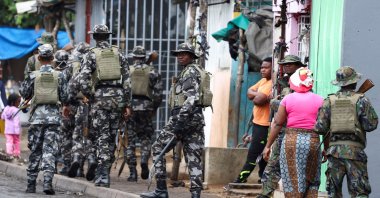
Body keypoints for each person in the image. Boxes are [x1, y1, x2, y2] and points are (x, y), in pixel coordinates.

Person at [66, 24, 131, 188]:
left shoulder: (91, 55)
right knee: (111, 136)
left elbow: (82, 79)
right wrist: (126, 103)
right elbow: (128, 81)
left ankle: (103, 176)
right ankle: (105, 172)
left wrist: (90, 95)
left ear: (94, 37)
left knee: (101, 136)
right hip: (118, 100)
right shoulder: (118, 54)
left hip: (100, 99)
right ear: (107, 36)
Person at [141, 43, 209, 198]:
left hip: (184, 117)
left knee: (158, 147)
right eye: (178, 54)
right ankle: (195, 195)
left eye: (184, 53)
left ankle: (160, 190)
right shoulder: (195, 70)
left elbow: (191, 98)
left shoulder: (189, 73)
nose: (180, 56)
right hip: (196, 119)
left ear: (191, 56)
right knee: (194, 157)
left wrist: (180, 123)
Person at [314, 66, 378, 198]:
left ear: (339, 83)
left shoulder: (329, 101)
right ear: (354, 82)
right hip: (355, 153)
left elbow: (320, 128)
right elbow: (371, 125)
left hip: (334, 153)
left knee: (333, 193)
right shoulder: (361, 100)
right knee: (360, 192)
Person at [263, 67, 323, 197]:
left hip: (292, 141)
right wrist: (327, 149)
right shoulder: (320, 100)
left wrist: (268, 146)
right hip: (314, 141)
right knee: (312, 179)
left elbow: (278, 123)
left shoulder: (287, 99)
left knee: (292, 179)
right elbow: (325, 127)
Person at [20, 44, 67, 195]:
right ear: (52, 58)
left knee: (35, 150)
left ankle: (31, 184)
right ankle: (47, 183)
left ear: (39, 58)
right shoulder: (60, 76)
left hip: (36, 119)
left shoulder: (33, 75)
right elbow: (65, 96)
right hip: (53, 118)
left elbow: (25, 93)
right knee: (49, 151)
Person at [258, 55, 305, 198]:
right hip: (281, 130)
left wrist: (275, 103)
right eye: (284, 64)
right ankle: (265, 194)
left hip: (296, 131)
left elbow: (293, 105)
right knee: (272, 166)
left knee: (296, 169)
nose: (286, 67)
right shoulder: (283, 82)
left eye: (291, 64)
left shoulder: (303, 82)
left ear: (298, 66)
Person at [124, 46, 163, 182]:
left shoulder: (127, 71)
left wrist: (124, 107)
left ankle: (132, 173)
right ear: (144, 57)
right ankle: (144, 160)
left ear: (134, 57)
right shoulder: (153, 72)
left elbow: (123, 90)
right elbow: (158, 94)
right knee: (146, 138)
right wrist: (154, 108)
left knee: (130, 141)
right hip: (146, 108)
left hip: (130, 109)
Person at [231, 57, 272, 184]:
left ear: (273, 68)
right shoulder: (263, 81)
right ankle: (262, 179)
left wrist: (257, 96)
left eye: (266, 67)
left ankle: (240, 180)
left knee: (254, 154)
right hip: (257, 123)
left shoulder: (272, 84)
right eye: (261, 67)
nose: (262, 70)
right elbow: (249, 92)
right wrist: (258, 95)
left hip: (265, 125)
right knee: (261, 155)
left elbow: (258, 101)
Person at [1, 93, 21, 159]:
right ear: (13, 102)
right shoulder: (15, 110)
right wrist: (17, 131)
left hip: (7, 130)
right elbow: (16, 121)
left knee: (9, 141)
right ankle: (16, 154)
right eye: (18, 101)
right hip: (15, 131)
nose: (19, 103)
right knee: (16, 142)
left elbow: (2, 117)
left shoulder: (6, 108)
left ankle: (9, 153)